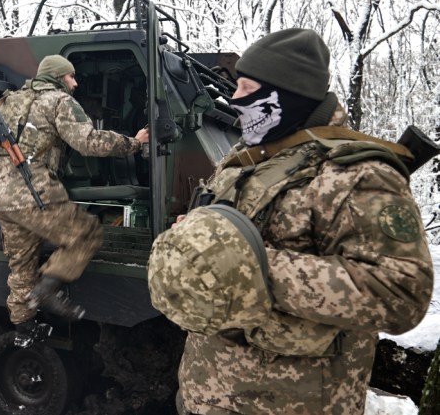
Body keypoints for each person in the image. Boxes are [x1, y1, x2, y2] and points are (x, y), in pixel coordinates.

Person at [172, 29, 434, 414]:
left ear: (282, 96)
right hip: (210, 390)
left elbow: (401, 294)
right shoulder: (249, 157)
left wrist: (250, 267)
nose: (235, 97)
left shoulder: (357, 175)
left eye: (246, 87)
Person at [0, 54, 149, 346]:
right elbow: (88, 142)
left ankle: (24, 328)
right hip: (31, 191)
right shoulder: (59, 101)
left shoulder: (10, 100)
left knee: (22, 263)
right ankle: (47, 291)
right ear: (60, 77)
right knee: (85, 233)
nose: (75, 83)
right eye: (72, 77)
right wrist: (135, 143)